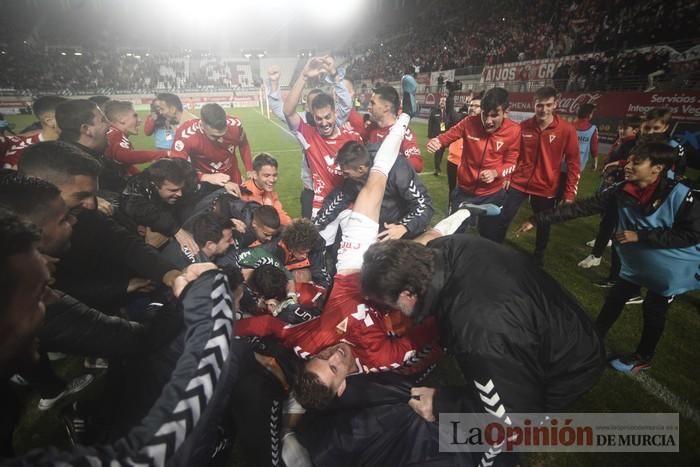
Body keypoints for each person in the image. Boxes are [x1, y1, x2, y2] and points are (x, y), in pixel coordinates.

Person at [359, 223, 605, 467]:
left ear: (408, 294)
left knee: (506, 433)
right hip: (558, 320)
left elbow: (514, 413)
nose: (394, 311)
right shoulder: (445, 248)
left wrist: (442, 403)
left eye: (391, 304)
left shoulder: (477, 330)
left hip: (567, 364)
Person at [518, 142, 699, 374]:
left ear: (657, 168)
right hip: (637, 265)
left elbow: (692, 234)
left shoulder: (683, 195)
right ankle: (592, 339)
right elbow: (582, 207)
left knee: (654, 309)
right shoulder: (622, 189)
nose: (628, 165)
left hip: (669, 270)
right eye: (629, 160)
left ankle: (643, 357)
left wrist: (641, 236)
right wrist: (537, 219)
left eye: (636, 162)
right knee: (614, 298)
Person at [18, 141, 181, 313]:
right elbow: (61, 292)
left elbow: (124, 243)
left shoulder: (84, 214)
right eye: (82, 196)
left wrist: (169, 273)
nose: (91, 204)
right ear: (41, 187)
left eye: (94, 194)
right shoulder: (14, 246)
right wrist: (119, 287)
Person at [493, 86, 580, 266]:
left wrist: (569, 193)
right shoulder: (523, 127)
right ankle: (495, 248)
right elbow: (512, 155)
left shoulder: (566, 130)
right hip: (518, 183)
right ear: (534, 104)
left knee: (543, 223)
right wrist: (507, 177)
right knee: (503, 217)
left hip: (546, 187)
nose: (544, 109)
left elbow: (573, 163)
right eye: (540, 105)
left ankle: (538, 256)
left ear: (555, 104)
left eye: (548, 105)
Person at [426, 87, 520, 240]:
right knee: (452, 236)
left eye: (494, 115)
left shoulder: (514, 131)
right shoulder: (469, 122)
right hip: (463, 192)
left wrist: (496, 172)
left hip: (492, 195)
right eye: (484, 114)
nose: (488, 121)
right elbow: (448, 135)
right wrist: (438, 141)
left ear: (506, 112)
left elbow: (512, 163)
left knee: (490, 237)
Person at [267, 60, 353, 219]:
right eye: (316, 111)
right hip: (313, 193)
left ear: (333, 113)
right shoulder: (307, 132)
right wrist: (302, 76)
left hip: (342, 194)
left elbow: (346, 105)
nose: (323, 121)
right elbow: (284, 110)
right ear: (310, 110)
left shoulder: (342, 128)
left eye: (327, 115)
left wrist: (334, 75)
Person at [314, 140, 433, 242]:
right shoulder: (355, 174)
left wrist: (404, 227)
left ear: (361, 169)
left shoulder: (397, 170)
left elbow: (424, 205)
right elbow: (339, 198)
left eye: (346, 173)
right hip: (379, 231)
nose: (344, 176)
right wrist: (315, 225)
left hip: (405, 231)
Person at [118, 158, 200, 252]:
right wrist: (176, 231)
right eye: (173, 190)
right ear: (155, 186)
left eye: (181, 188)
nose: (179, 194)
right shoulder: (135, 192)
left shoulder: (181, 178)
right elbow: (141, 209)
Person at [170, 103, 253, 186]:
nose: (220, 139)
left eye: (223, 134)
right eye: (215, 136)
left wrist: (249, 169)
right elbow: (177, 168)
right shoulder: (185, 135)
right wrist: (205, 177)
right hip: (205, 185)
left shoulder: (235, 125)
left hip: (234, 180)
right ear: (202, 126)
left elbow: (243, 144)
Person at [348, 85, 423, 172]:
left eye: (373, 103)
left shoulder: (403, 132)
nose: (368, 107)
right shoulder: (371, 127)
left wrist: (386, 161)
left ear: (386, 108)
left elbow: (417, 164)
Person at [55, 99, 123, 194]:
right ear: (86, 129)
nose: (109, 124)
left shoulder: (65, 153)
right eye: (103, 120)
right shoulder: (78, 167)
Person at [104, 100, 169, 175]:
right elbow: (125, 156)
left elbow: (126, 166)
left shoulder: (114, 133)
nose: (140, 120)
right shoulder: (114, 135)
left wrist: (140, 175)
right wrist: (162, 154)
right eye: (135, 116)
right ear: (122, 120)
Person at [2, 95, 66, 169]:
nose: (76, 121)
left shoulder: (70, 141)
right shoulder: (24, 156)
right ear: (49, 121)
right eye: (69, 116)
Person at [160, 212, 235, 269]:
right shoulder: (202, 271)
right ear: (210, 245)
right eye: (228, 240)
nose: (233, 242)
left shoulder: (180, 240)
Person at [445, 91, 480, 212]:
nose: (473, 108)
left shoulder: (486, 127)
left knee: (471, 192)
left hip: (472, 165)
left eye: (477, 106)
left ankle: (470, 214)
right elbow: (450, 111)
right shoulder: (462, 120)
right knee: (453, 190)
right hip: (454, 161)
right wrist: (451, 95)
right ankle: (451, 210)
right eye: (471, 105)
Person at [240, 153, 292, 225]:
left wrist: (294, 226)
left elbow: (281, 215)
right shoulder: (244, 192)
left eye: (274, 175)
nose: (272, 180)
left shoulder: (270, 191)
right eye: (266, 175)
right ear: (255, 175)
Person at [574, 103, 599, 171]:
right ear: (589, 114)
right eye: (592, 113)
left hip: (564, 162)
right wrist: (595, 162)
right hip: (579, 163)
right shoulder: (592, 128)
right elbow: (594, 148)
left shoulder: (569, 126)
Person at [428, 95, 448, 175]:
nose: (443, 102)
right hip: (436, 136)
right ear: (439, 102)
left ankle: (438, 165)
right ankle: (437, 168)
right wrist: (430, 136)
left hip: (445, 136)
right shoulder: (434, 112)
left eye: (444, 101)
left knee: (441, 152)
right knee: (438, 153)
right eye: (442, 100)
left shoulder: (447, 112)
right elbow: (430, 124)